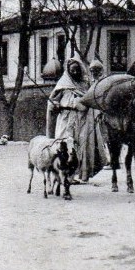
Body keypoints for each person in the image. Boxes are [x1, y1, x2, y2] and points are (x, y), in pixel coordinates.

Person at [48, 56, 105, 184]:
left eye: (77, 70)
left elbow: (92, 99)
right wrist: (55, 105)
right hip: (66, 118)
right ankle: (61, 175)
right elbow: (52, 102)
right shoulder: (63, 84)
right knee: (64, 146)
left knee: (80, 148)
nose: (75, 72)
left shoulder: (86, 84)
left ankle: (76, 175)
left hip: (82, 120)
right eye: (72, 70)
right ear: (68, 71)